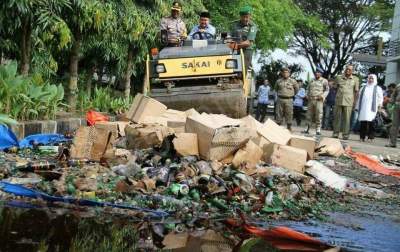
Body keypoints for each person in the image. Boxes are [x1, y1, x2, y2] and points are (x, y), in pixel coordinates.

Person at [332, 65, 359, 140]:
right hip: (339, 100)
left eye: (350, 69)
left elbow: (356, 92)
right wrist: (337, 95)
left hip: (349, 101)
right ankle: (335, 133)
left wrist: (355, 102)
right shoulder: (338, 77)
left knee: (347, 119)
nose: (348, 70)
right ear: (345, 69)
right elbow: (334, 88)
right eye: (347, 69)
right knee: (337, 118)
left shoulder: (355, 79)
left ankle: (345, 135)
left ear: (352, 71)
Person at [355, 74, 383, 142]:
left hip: (372, 108)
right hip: (364, 108)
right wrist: (357, 106)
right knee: (363, 123)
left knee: (372, 123)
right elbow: (359, 98)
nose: (370, 80)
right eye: (369, 78)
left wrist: (379, 106)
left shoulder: (378, 88)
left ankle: (371, 137)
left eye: (372, 78)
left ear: (374, 79)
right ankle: (362, 137)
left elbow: (380, 98)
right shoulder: (363, 87)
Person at [229, 5, 258, 70]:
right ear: (240, 17)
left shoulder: (252, 26)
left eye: (247, 17)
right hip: (234, 50)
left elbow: (248, 42)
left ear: (250, 16)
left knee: (241, 71)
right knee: (231, 70)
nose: (245, 19)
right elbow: (229, 36)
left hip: (246, 51)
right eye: (243, 17)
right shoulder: (234, 24)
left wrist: (236, 45)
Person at [303, 68, 329, 135]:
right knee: (308, 115)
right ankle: (306, 128)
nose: (317, 73)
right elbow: (307, 88)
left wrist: (323, 96)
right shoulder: (311, 80)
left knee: (319, 115)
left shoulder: (324, 81)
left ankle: (318, 129)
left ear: (321, 73)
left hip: (319, 100)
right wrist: (306, 95)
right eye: (316, 72)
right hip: (311, 99)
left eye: (318, 72)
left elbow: (327, 90)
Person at [386, 83, 400, 148]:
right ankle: (392, 143)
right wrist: (391, 102)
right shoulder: (398, 85)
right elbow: (393, 95)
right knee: (394, 125)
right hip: (397, 106)